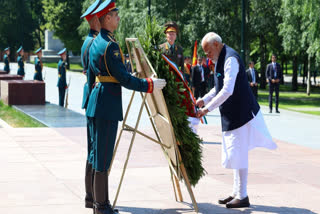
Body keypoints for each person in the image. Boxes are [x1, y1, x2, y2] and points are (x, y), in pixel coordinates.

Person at [86, 1, 166, 213]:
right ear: (107, 18)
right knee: (103, 156)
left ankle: (97, 202)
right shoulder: (109, 45)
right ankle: (101, 207)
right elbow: (122, 78)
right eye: (115, 14)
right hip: (106, 105)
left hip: (98, 101)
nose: (119, 18)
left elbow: (95, 74)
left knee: (97, 154)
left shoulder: (96, 42)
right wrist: (149, 84)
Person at [196, 32, 277, 209]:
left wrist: (206, 109)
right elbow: (217, 87)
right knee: (235, 154)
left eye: (208, 51)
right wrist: (204, 99)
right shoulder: (220, 58)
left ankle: (242, 195)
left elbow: (227, 90)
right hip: (233, 115)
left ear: (216, 45)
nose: (207, 56)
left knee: (238, 154)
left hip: (241, 113)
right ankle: (236, 192)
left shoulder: (230, 58)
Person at [80, 0, 101, 210]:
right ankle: (93, 196)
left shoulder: (89, 41)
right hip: (95, 95)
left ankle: (90, 196)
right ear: (95, 20)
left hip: (90, 96)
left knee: (92, 149)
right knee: (95, 150)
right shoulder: (93, 42)